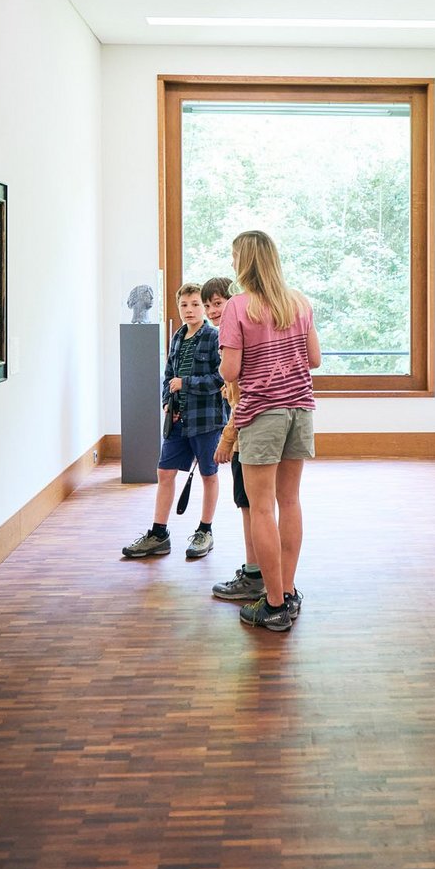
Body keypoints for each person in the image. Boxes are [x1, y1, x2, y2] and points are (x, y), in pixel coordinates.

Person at [217, 231, 321, 632]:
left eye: (233, 258)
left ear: (244, 263)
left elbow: (229, 371)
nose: (230, 264)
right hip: (300, 409)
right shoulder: (299, 302)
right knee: (289, 501)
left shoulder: (238, 307)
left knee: (261, 508)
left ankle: (274, 604)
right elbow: (313, 359)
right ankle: (288, 591)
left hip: (262, 413)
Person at [121, 284, 227, 559]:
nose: (189, 310)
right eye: (184, 305)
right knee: (165, 472)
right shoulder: (178, 338)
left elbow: (222, 378)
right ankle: (159, 533)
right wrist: (168, 400)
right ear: (178, 307)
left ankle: (205, 530)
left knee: (208, 474)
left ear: (203, 307)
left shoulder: (215, 338)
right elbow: (168, 376)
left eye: (195, 304)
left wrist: (186, 384)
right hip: (177, 420)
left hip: (206, 419)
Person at [200, 276, 263, 602]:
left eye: (217, 303)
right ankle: (257, 570)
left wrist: (227, 439)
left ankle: (256, 574)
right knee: (252, 506)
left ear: (233, 301)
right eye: (207, 304)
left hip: (245, 437)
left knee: (251, 507)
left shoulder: (235, 338)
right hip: (247, 434)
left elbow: (243, 398)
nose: (211, 310)